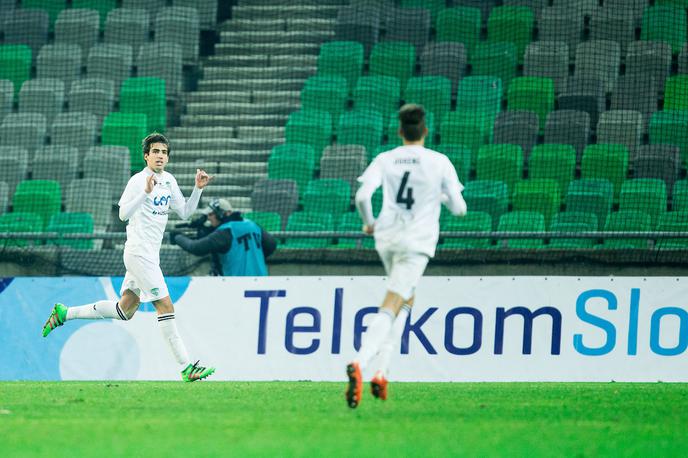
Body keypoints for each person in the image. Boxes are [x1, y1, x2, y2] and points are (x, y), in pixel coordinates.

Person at [42, 132, 216, 382]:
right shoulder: (138, 180)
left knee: (125, 310)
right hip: (138, 253)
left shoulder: (169, 180)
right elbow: (123, 214)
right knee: (165, 306)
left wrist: (198, 190)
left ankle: (64, 313)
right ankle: (187, 367)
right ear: (146, 156)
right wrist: (144, 193)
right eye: (156, 151)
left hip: (149, 256)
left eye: (164, 152)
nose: (160, 156)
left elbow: (186, 212)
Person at [345, 104, 467, 408]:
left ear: (400, 131)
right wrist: (440, 197)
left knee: (404, 302)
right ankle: (360, 361)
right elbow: (460, 209)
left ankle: (382, 374)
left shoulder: (385, 159)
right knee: (392, 303)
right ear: (425, 130)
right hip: (416, 242)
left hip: (386, 238)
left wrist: (370, 223)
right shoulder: (439, 161)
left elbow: (362, 196)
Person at [170, 198, 277, 276]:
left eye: (211, 214)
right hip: (262, 282)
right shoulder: (252, 224)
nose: (209, 218)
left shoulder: (225, 232)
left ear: (222, 214)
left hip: (236, 285)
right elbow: (271, 245)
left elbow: (195, 248)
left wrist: (177, 237)